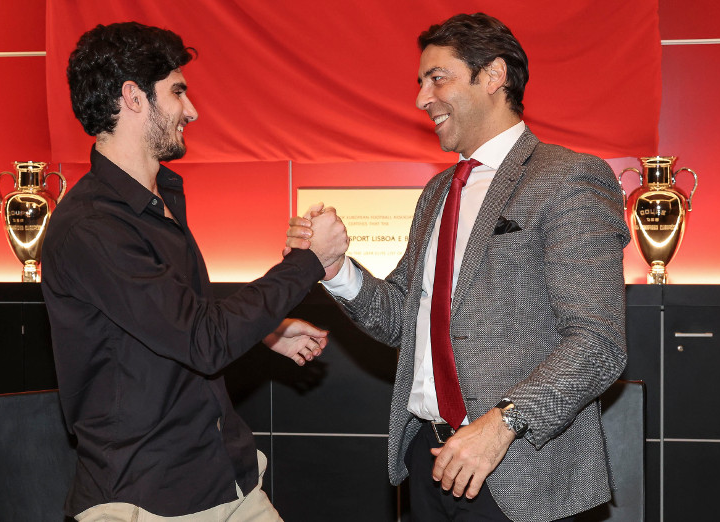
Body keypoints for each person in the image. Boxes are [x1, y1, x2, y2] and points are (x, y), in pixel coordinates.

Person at [287, 12, 629, 522]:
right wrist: (336, 268)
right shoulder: (438, 193)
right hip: (428, 459)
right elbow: (404, 317)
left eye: (437, 78)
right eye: (421, 82)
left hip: (519, 473)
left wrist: (501, 425)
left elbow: (598, 343)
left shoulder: (568, 177)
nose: (422, 99)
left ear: (493, 76)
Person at [41, 22, 348, 522]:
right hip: (146, 501)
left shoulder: (162, 199)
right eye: (178, 92)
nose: (192, 109)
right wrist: (309, 264)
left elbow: (180, 315)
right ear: (133, 97)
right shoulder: (91, 226)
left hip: (222, 478)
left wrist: (264, 330)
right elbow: (203, 340)